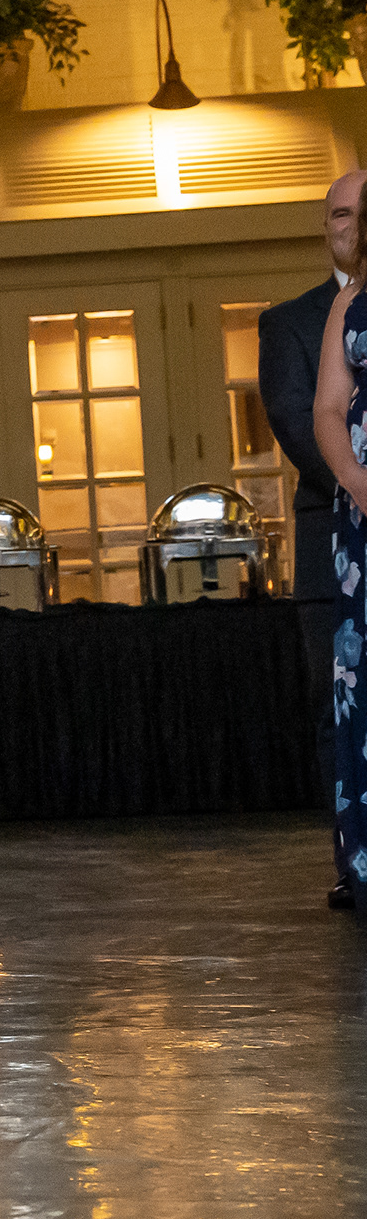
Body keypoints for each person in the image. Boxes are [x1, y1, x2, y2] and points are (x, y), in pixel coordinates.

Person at [260, 168, 364, 909]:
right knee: (341, 710)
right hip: (336, 538)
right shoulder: (291, 321)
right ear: (324, 227)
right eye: (339, 214)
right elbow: (301, 423)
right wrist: (360, 483)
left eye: (362, 212)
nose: (351, 225)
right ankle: (352, 861)